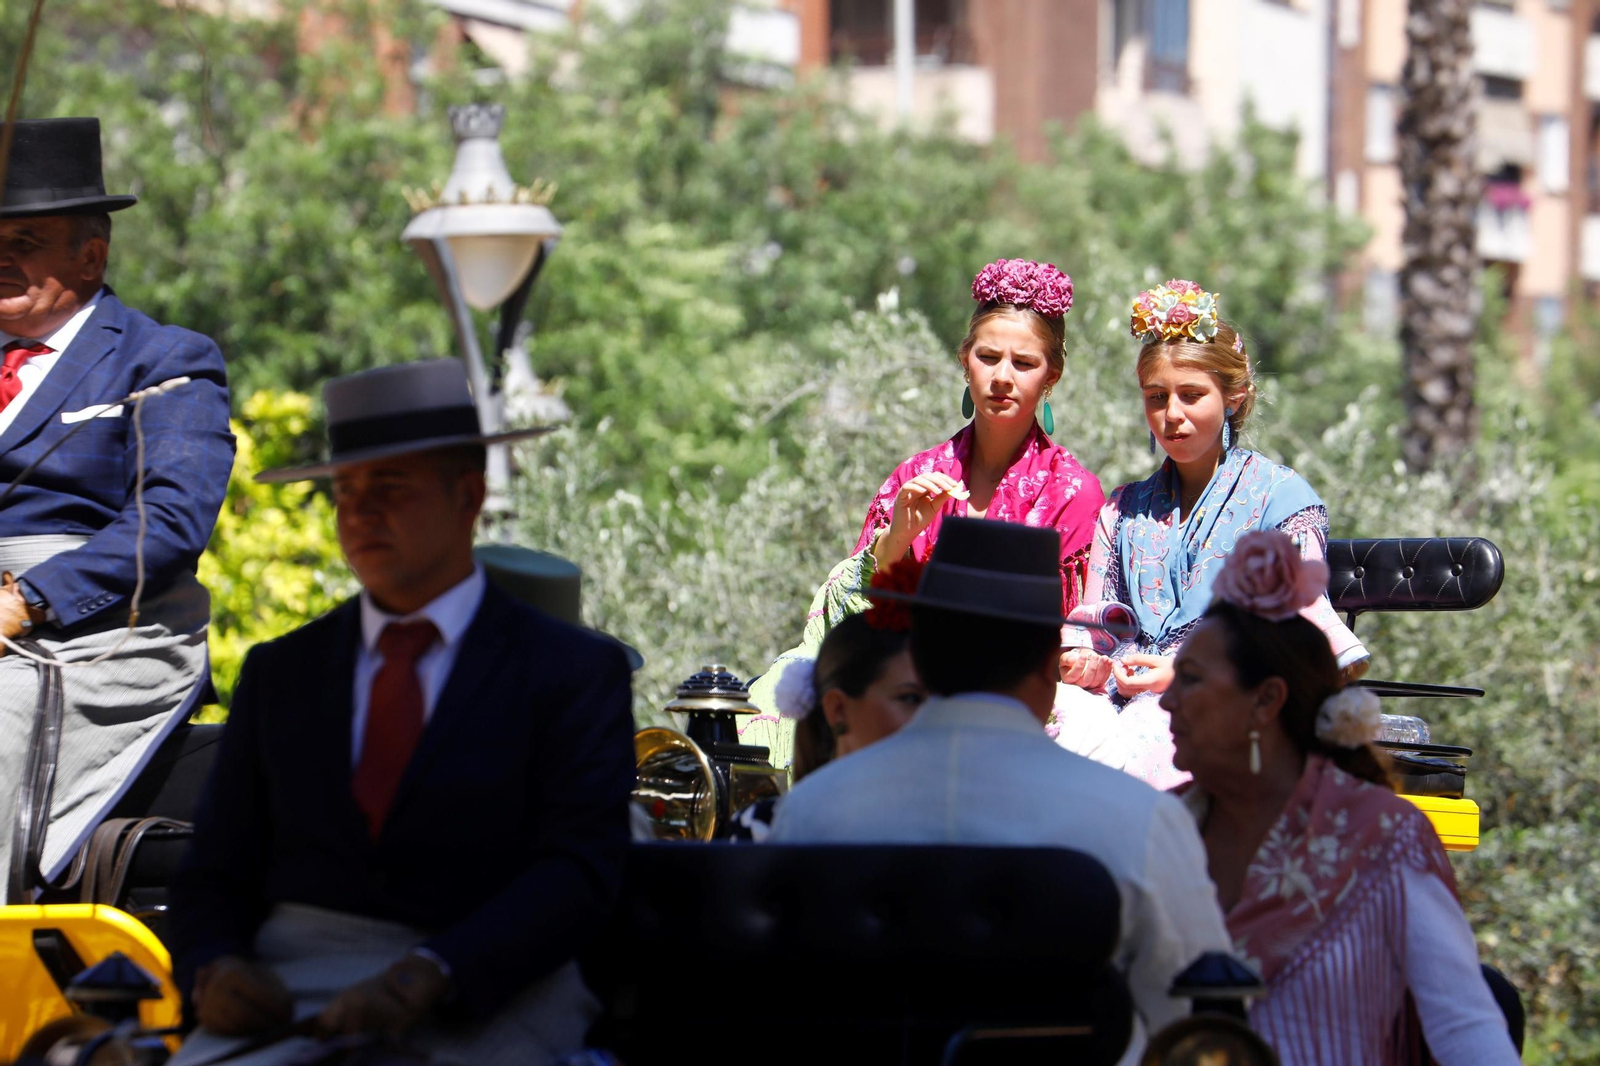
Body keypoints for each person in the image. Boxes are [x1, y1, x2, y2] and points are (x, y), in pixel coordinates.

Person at [168, 360, 636, 1066]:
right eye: (345, 492)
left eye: (389, 488)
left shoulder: (570, 672)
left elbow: (579, 872)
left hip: (499, 992)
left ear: (468, 495)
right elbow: (214, 870)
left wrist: (432, 973)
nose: (359, 513)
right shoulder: (281, 673)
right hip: (289, 993)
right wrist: (215, 969)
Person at [769, 518, 1232, 1057]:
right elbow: (1196, 1021)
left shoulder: (811, 812)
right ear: (1047, 664)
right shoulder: (1140, 820)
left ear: (920, 658)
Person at [1161, 530, 1519, 1066]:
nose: (1166, 700)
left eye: (1189, 679)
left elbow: (1465, 1027)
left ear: (1265, 702)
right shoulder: (1165, 829)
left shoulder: (1383, 839)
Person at [0, 117, 233, 898]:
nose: (2, 256)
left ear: (91, 257)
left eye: (25, 239)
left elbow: (170, 520)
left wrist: (27, 602)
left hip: (97, 637)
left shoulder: (163, 359)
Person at [747, 259, 1106, 766]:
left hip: (1005, 688)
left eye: (1024, 363)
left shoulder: (1073, 492)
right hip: (896, 672)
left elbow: (1063, 632)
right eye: (988, 357)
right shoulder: (914, 475)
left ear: (1053, 375)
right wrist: (898, 536)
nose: (1002, 377)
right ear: (965, 361)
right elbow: (860, 616)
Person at [1053, 279, 1365, 789]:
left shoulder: (1280, 502)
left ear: (1234, 396)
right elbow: (1100, 628)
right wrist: (1087, 661)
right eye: (1157, 397)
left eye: (1191, 395)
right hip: (1122, 707)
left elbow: (1301, 651)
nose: (1171, 414)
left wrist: (1181, 674)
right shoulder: (1123, 511)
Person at [728, 563, 927, 842]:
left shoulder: (946, 825)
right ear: (838, 709)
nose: (933, 714)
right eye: (910, 698)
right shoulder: (766, 829)